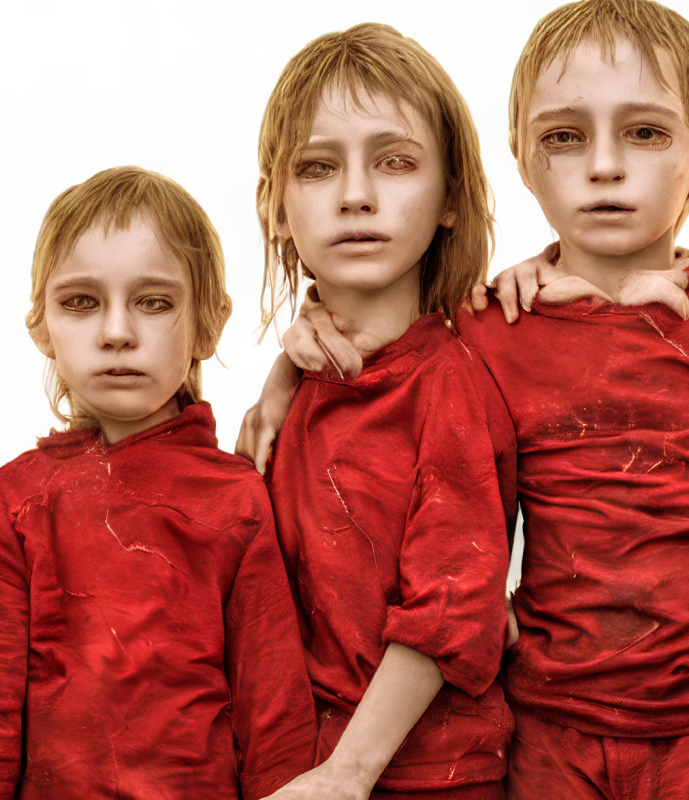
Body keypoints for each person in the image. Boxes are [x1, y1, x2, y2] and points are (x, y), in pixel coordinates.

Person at [243, 2, 689, 797]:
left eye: (646, 133)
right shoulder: (494, 327)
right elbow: (383, 344)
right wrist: (284, 372)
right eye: (566, 137)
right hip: (551, 732)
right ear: (522, 160)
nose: (604, 167)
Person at [0, 166, 316, 800]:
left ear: (209, 323)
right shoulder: (11, 502)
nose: (116, 332)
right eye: (81, 302)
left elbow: (274, 721)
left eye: (154, 302)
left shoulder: (237, 500)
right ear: (41, 325)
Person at [252, 24, 517, 800]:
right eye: (317, 166)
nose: (356, 193)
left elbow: (451, 605)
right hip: (300, 766)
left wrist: (348, 772)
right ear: (276, 207)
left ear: (450, 202)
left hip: (427, 777)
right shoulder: (297, 387)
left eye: (395, 162)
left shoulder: (451, 385)